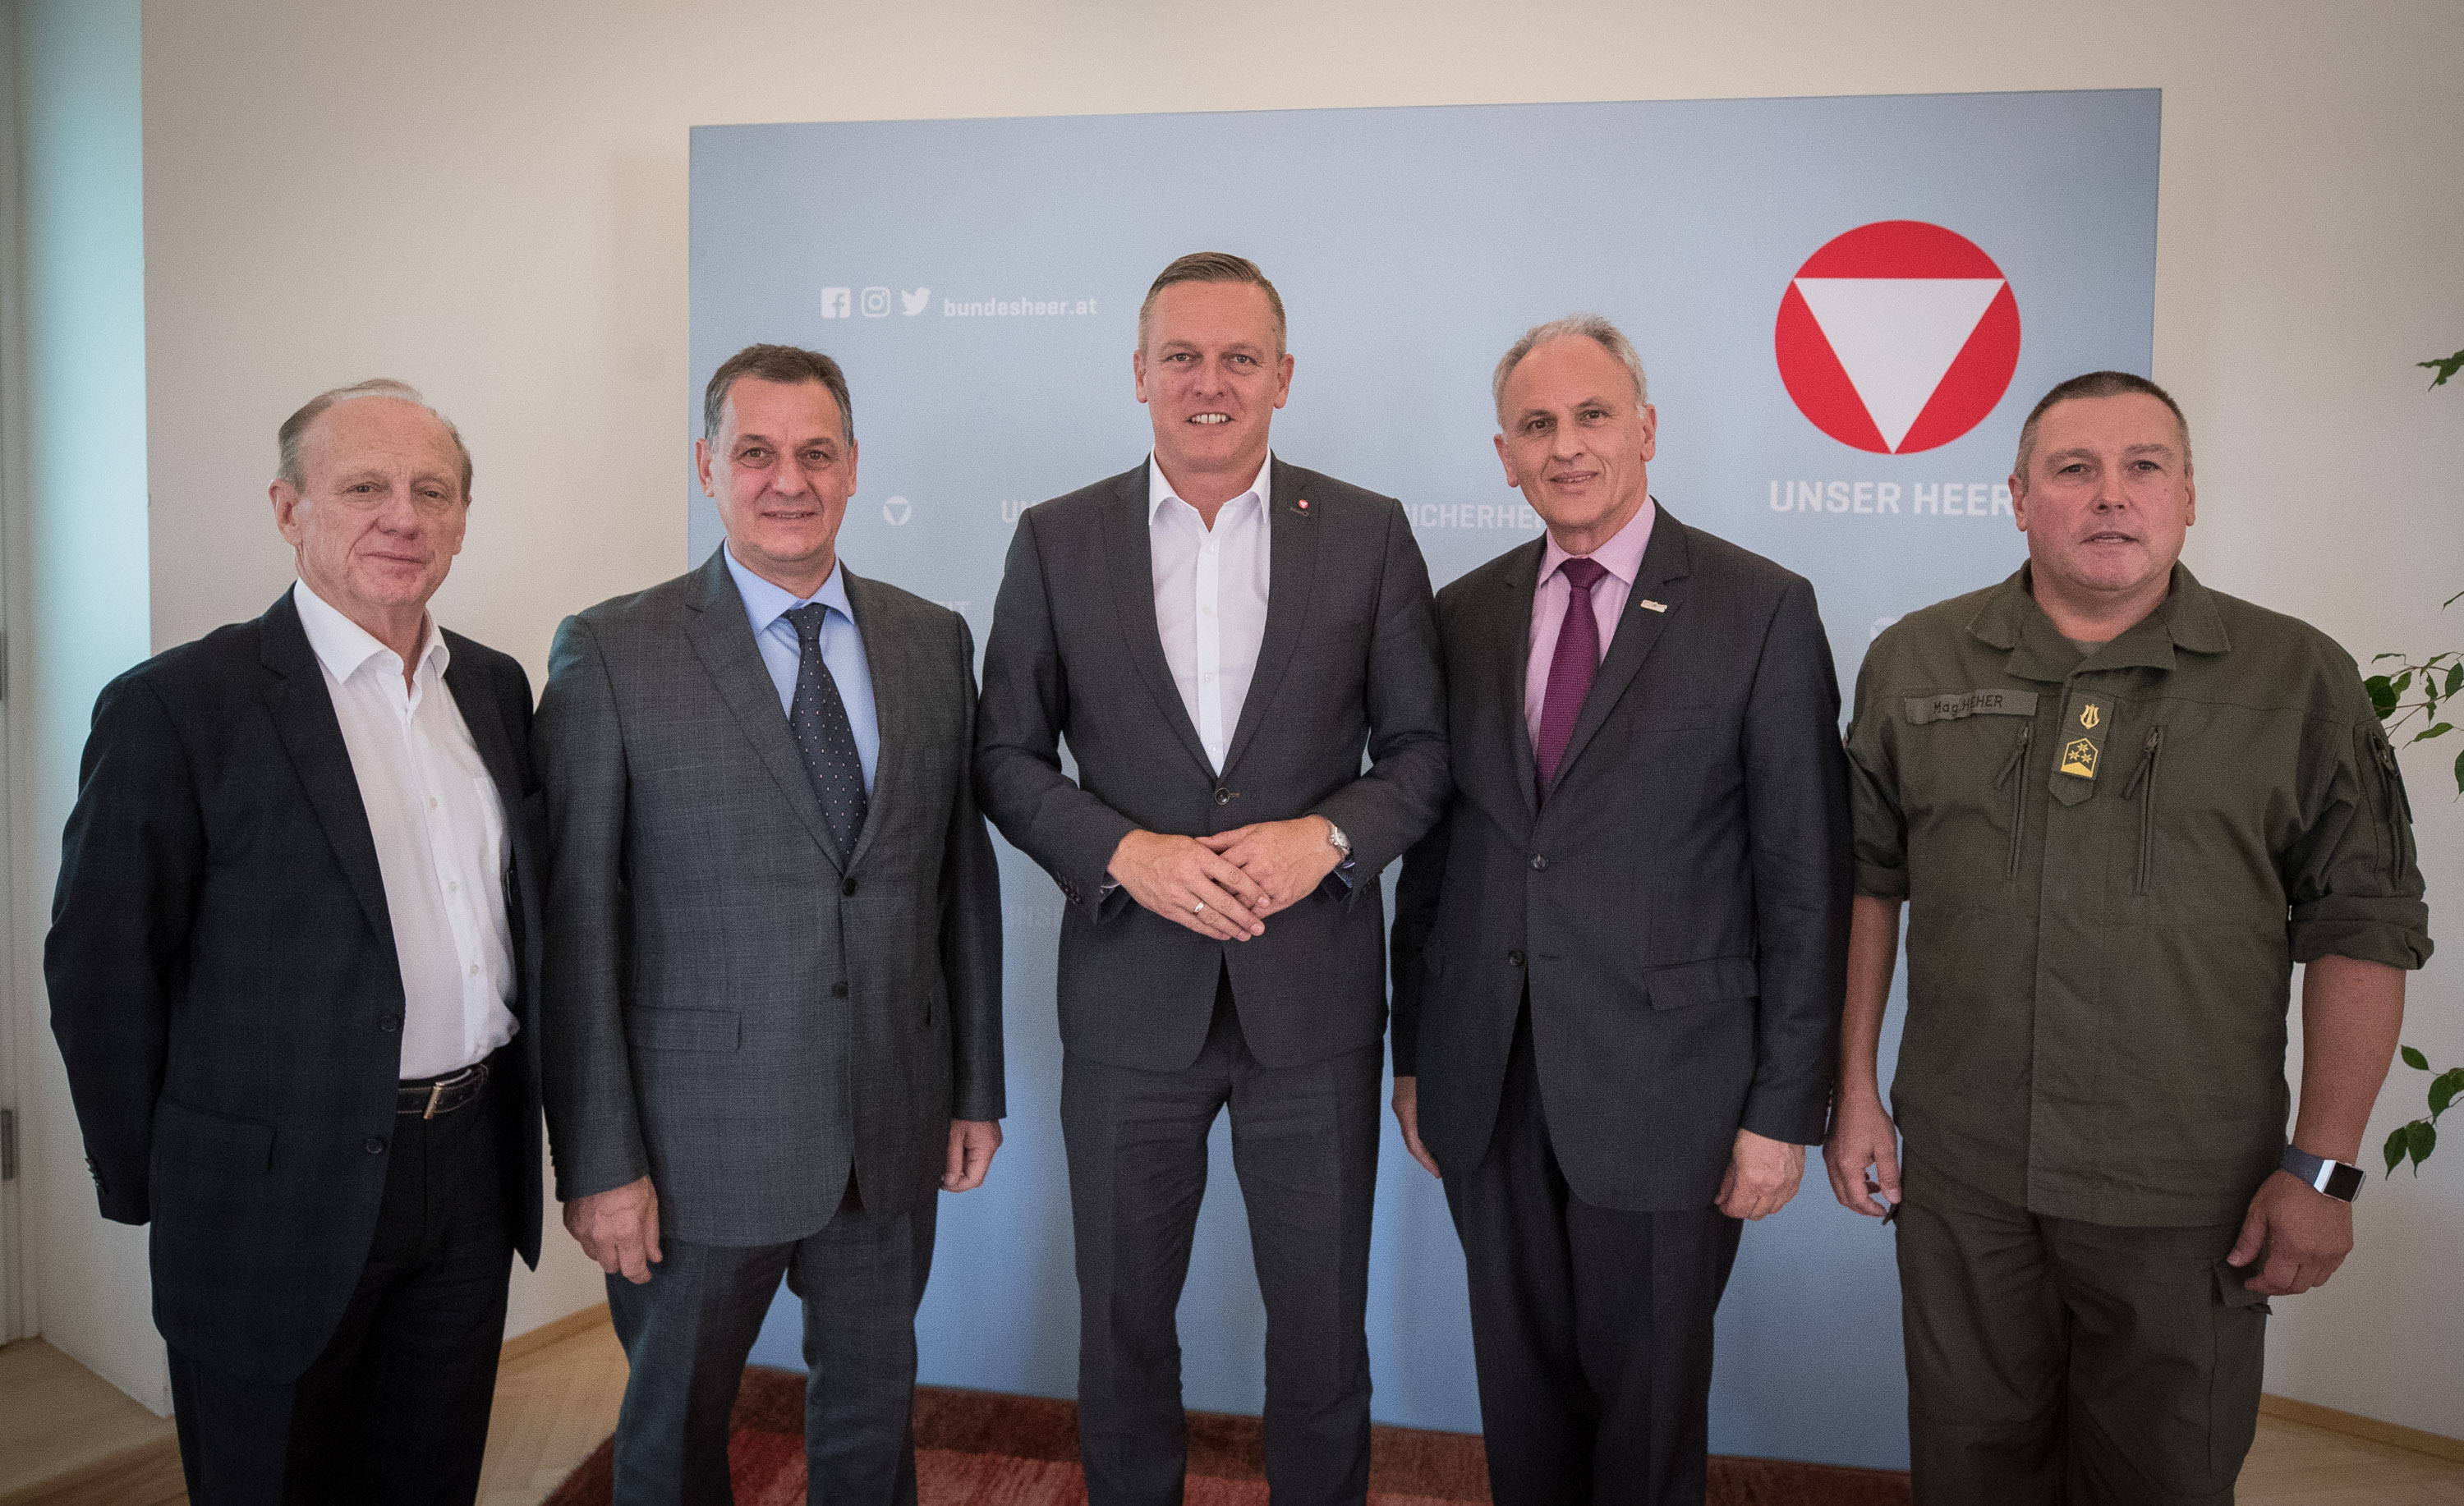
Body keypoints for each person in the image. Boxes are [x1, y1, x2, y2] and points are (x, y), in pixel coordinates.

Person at [1823, 370, 2432, 1504]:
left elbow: (2365, 927)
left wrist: (2324, 1166)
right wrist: (1853, 1088)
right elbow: (1868, 885)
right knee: (1969, 1470)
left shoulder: (2300, 681)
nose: (2112, 494)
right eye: (2075, 469)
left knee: (2165, 1479)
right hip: (1965, 1180)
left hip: (2189, 1194)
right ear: (2018, 498)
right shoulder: (1915, 661)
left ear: (2188, 495)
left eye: (2144, 467)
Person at [974, 251, 1447, 1505]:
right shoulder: (1057, 539)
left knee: (1323, 1334)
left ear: (1283, 377)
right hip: (1130, 1006)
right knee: (1121, 1330)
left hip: (1314, 1010)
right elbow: (1004, 758)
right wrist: (1120, 852)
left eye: (1240, 357)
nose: (1210, 381)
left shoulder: (1369, 534)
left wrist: (1325, 839)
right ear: (1138, 374)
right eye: (1181, 356)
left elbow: (1423, 756)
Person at [47, 380, 545, 1504]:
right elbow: (100, 967)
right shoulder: (178, 707)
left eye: (433, 491)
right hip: (265, 1200)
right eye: (364, 487)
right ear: (288, 510)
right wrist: (161, 1180)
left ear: (463, 518)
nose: (403, 516)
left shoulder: (496, 688)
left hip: (471, 1168)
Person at [1388, 314, 1851, 1506]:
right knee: (1522, 1409)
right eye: (1537, 425)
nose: (1567, 446)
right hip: (1489, 1080)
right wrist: (1416, 1056)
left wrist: (1783, 1110)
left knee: (1645, 1429)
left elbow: (1806, 881)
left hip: (1674, 1096)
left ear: (1646, 429)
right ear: (1503, 456)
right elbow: (1434, 862)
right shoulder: (1462, 615)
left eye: (1593, 416)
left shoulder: (1759, 608)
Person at [536, 343, 1003, 1503]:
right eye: (755, 452)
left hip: (888, 1127)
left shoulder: (931, 639)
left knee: (870, 1428)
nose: (788, 480)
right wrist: (601, 1161)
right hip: (691, 1156)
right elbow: (578, 927)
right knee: (673, 1438)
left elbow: (959, 883)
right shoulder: (613, 650)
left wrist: (973, 1087)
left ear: (854, 468)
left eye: (815, 453)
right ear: (707, 466)